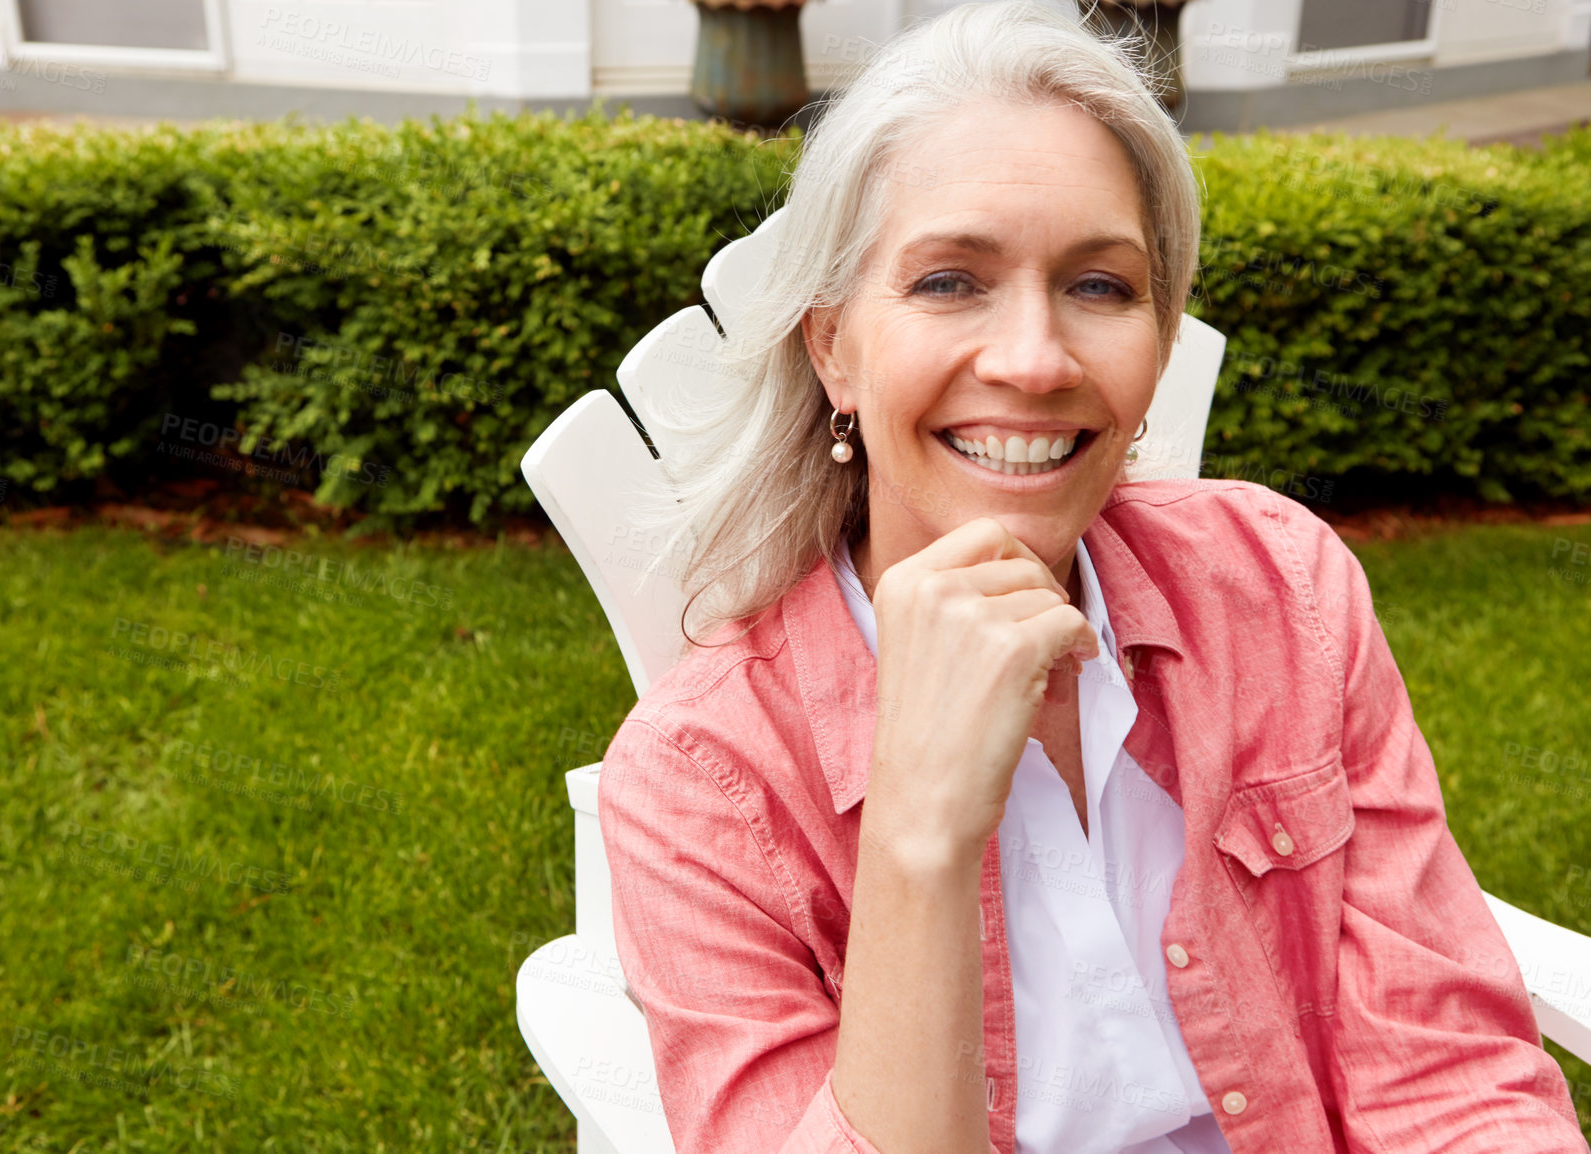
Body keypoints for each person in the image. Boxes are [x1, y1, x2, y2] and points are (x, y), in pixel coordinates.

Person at [596, 3, 1586, 1151]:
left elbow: (1448, 1077)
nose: (1032, 358)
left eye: (1101, 287)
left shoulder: (1284, 590)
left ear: (1161, 342)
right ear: (833, 349)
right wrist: (919, 828)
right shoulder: (702, 785)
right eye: (949, 281)